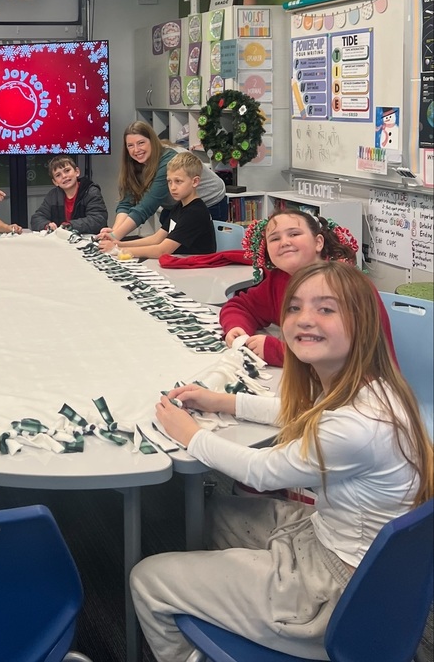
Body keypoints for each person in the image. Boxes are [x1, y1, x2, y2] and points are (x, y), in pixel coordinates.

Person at [130, 262, 434, 662]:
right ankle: (230, 604)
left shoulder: (357, 424)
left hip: (340, 587)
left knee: (148, 579)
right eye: (295, 308)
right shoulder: (369, 385)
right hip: (343, 546)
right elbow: (301, 414)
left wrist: (190, 434)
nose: (305, 319)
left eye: (326, 309)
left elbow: (263, 469)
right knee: (210, 514)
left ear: (362, 323)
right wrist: (224, 401)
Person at [220, 207, 397, 367]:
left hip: (359, 387)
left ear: (319, 242)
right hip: (310, 382)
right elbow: (241, 306)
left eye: (294, 234)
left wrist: (277, 351)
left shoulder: (346, 284)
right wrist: (237, 327)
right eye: (274, 238)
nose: (284, 242)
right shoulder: (279, 280)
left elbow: (348, 352)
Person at [102, 122, 226, 241]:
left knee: (186, 248)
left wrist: (115, 237)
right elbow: (126, 203)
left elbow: (147, 206)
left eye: (141, 143)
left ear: (152, 141)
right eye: (130, 145)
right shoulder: (132, 164)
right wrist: (114, 232)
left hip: (208, 201)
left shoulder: (167, 159)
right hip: (177, 206)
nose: (136, 150)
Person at [98, 152, 215, 259]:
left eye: (178, 181)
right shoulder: (180, 206)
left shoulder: (194, 213)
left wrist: (117, 250)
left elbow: (162, 251)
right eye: (169, 181)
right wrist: (117, 243)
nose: (172, 187)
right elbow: (157, 238)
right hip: (183, 264)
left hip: (196, 271)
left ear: (195, 181)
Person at [29, 155, 108, 234]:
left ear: (77, 172)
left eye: (67, 170)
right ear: (55, 182)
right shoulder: (53, 195)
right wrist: (46, 225)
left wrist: (70, 225)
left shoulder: (91, 192)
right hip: (62, 242)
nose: (64, 176)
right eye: (58, 175)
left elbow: (98, 219)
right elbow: (36, 218)